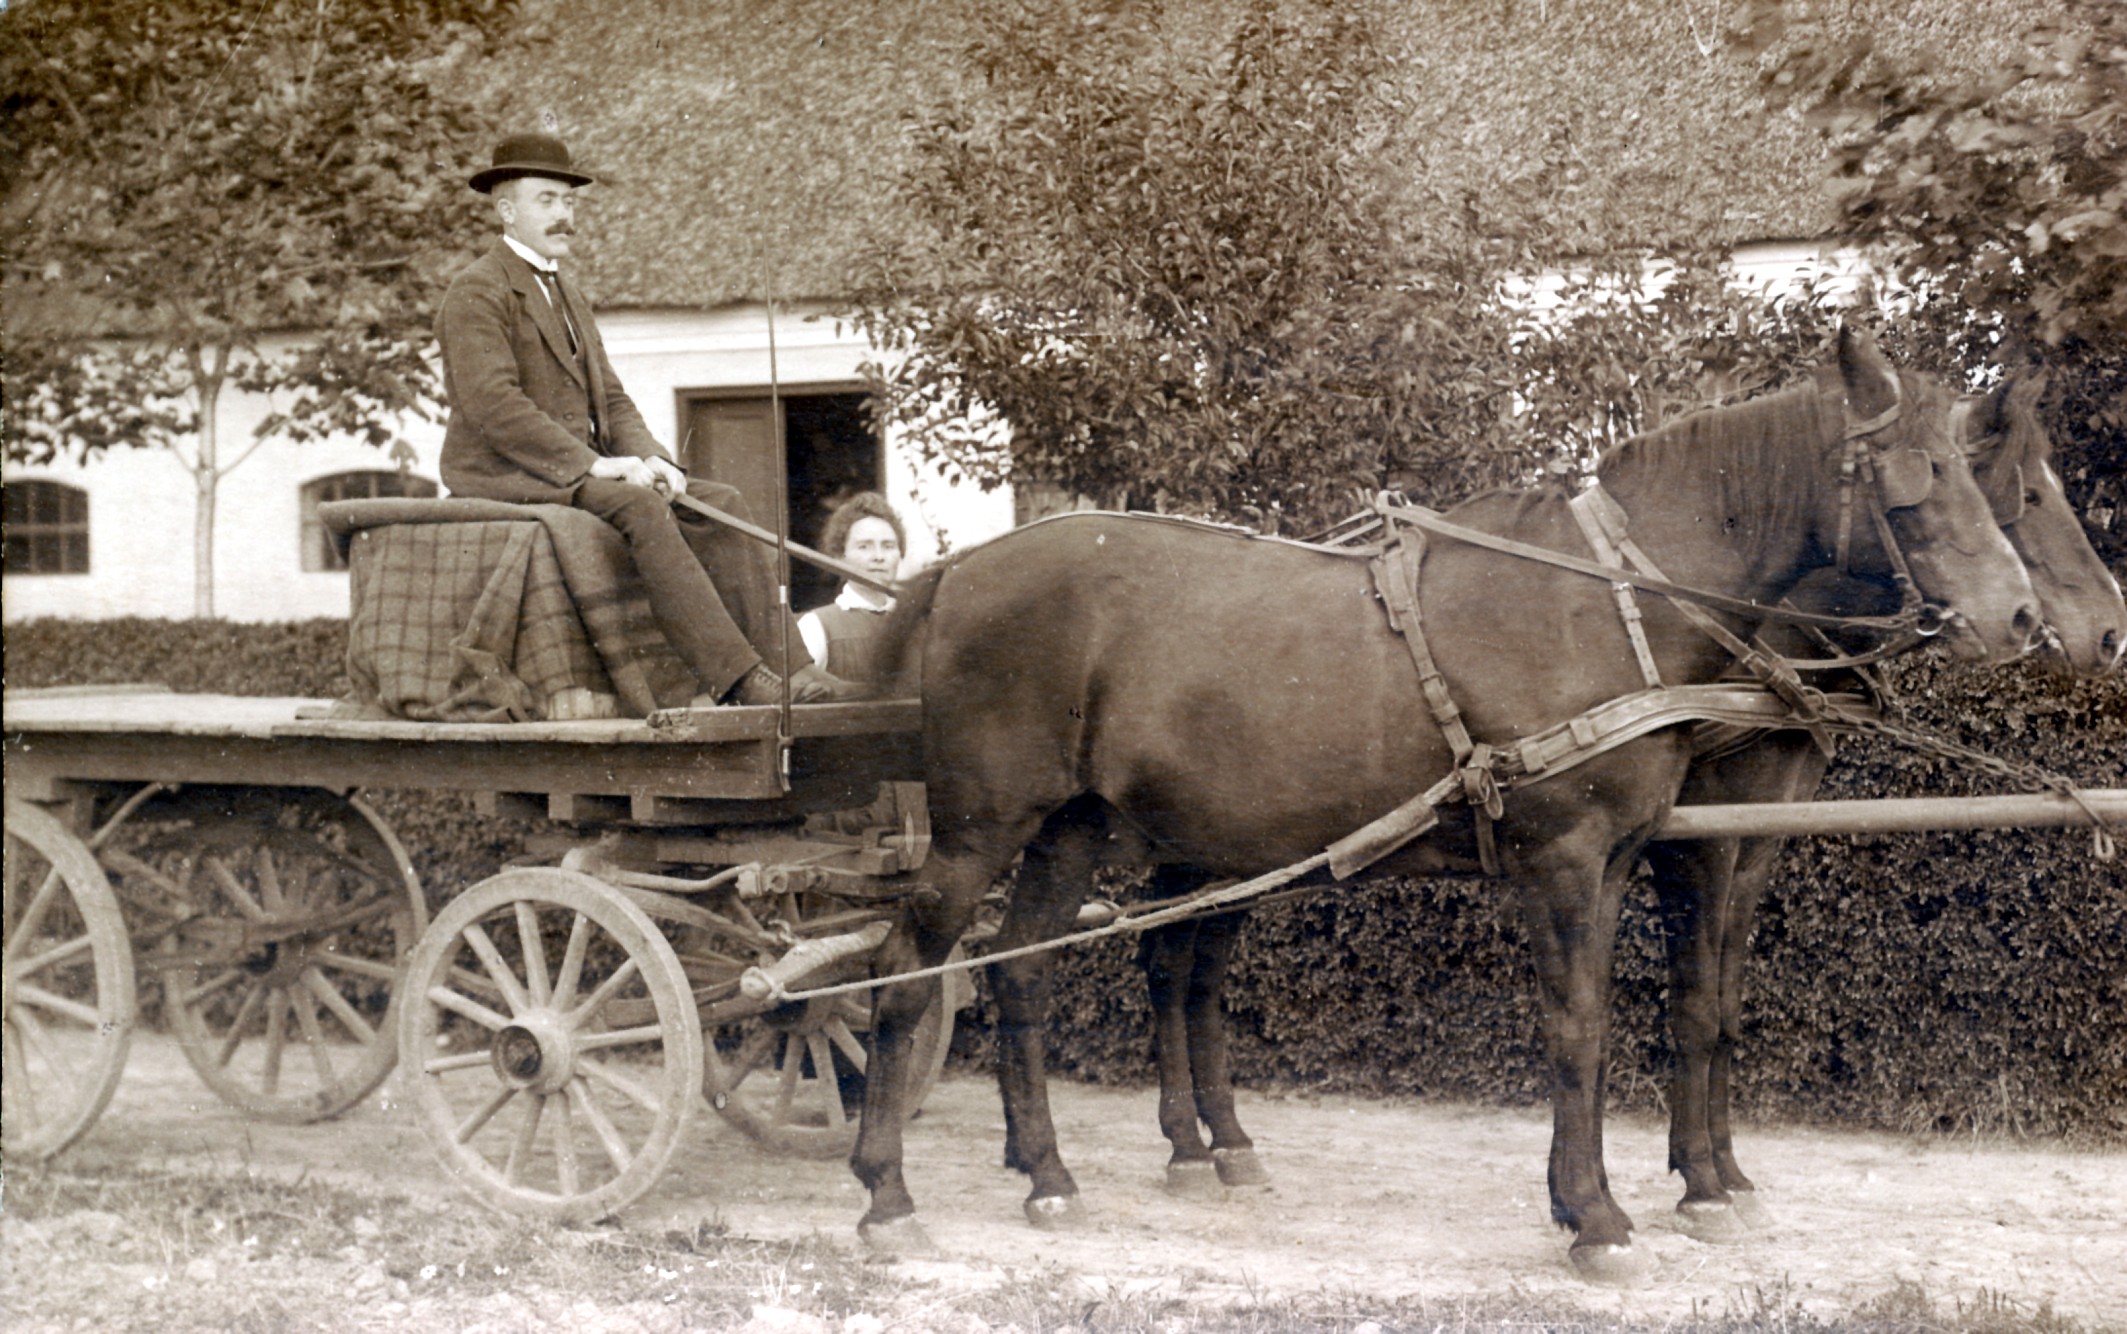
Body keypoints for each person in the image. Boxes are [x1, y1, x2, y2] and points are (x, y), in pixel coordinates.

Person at [436, 130, 847, 707]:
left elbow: (612, 396)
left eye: (569, 201)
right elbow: (494, 407)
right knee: (638, 504)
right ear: (507, 210)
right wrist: (597, 465)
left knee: (722, 500)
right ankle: (736, 678)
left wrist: (654, 457)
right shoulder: (477, 291)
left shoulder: (567, 293)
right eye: (547, 201)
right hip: (509, 476)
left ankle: (794, 669)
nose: (564, 215)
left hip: (578, 471)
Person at [797, 492, 906, 687]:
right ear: (840, 556)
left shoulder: (920, 622)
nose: (879, 556)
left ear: (900, 554)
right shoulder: (817, 626)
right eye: (864, 547)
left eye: (888, 546)